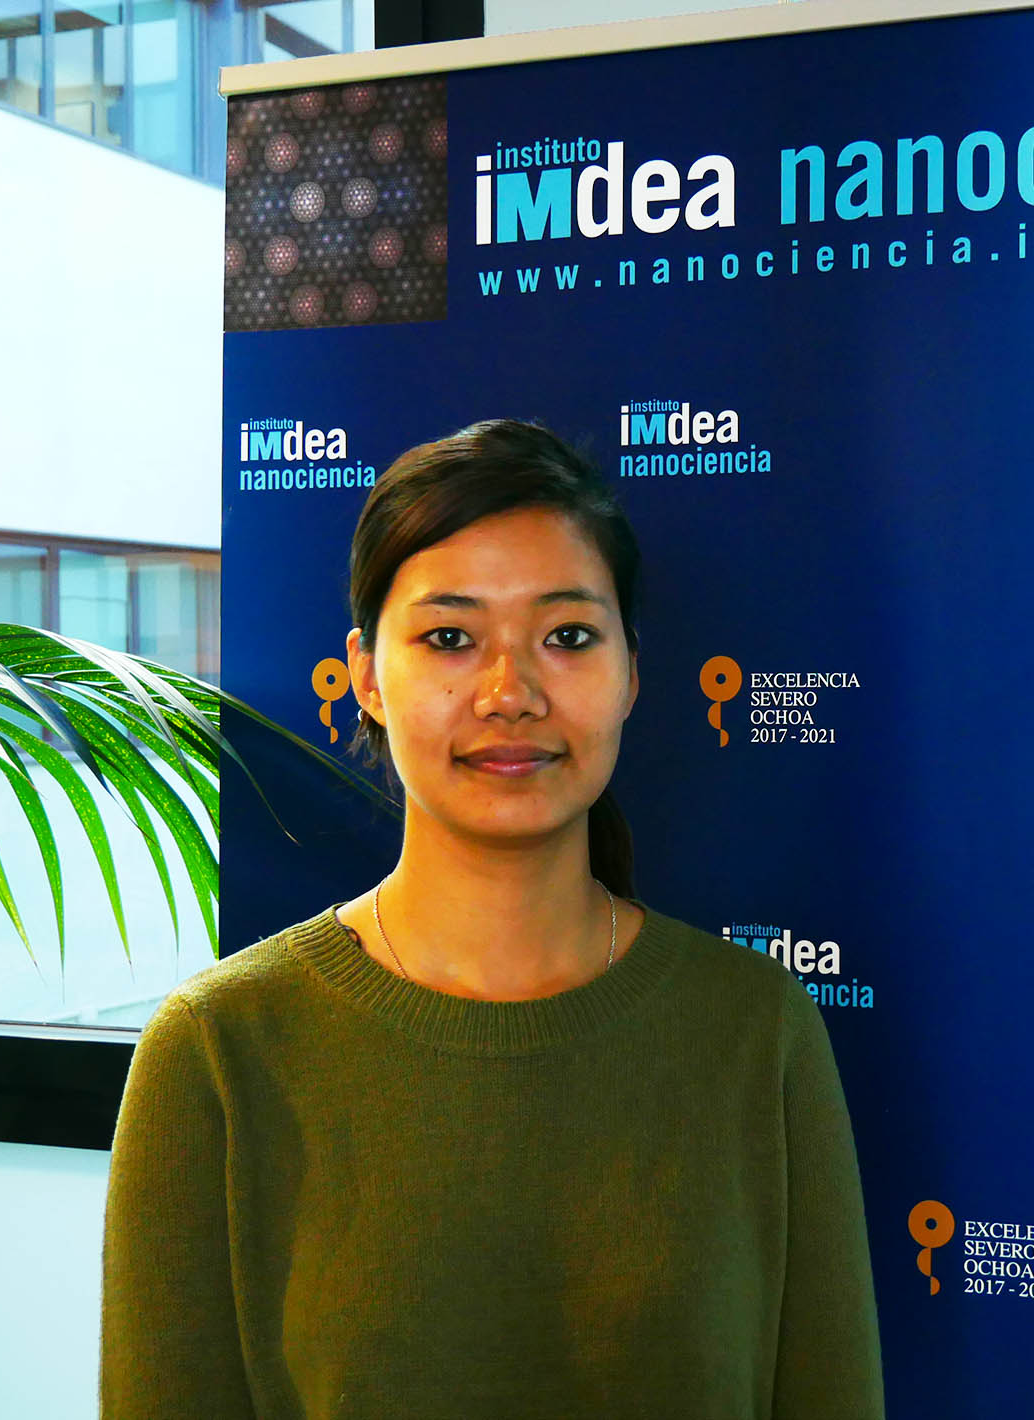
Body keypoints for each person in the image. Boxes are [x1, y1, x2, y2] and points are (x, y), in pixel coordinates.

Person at [100, 420, 884, 1418]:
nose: (510, 694)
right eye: (449, 638)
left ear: (631, 672)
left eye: (567, 637)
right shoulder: (217, 1050)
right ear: (366, 676)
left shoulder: (757, 1032)